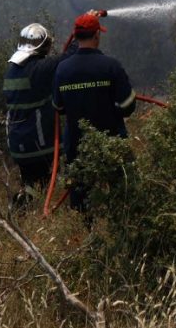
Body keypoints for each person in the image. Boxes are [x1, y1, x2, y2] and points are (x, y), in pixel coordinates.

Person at [52, 12, 136, 211]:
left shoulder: (62, 70)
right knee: (122, 191)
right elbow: (128, 105)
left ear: (76, 36)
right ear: (97, 35)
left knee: (80, 197)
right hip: (112, 142)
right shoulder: (111, 66)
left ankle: (85, 232)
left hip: (77, 145)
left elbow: (58, 107)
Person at [3, 21, 78, 204]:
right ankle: (22, 208)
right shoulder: (38, 69)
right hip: (38, 142)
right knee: (43, 183)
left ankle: (21, 205)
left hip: (18, 143)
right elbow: (69, 56)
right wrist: (80, 32)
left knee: (33, 183)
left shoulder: (12, 70)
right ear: (43, 46)